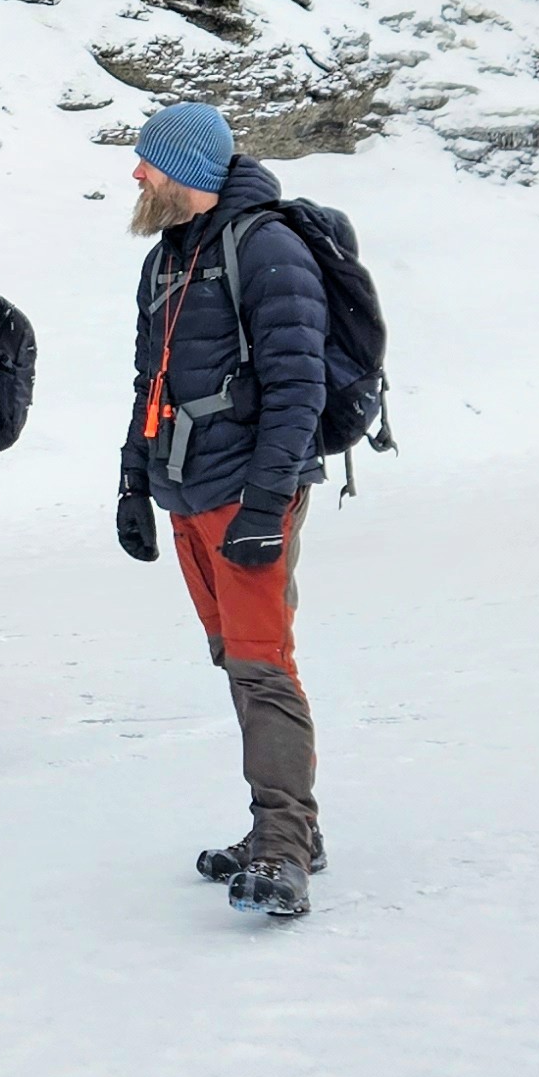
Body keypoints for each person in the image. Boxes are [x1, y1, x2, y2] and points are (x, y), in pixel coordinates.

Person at [114, 102, 333, 918]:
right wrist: (133, 486)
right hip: (185, 489)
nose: (136, 175)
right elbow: (151, 386)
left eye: (149, 162)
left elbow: (299, 387)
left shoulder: (267, 248)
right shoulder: (169, 259)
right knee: (234, 656)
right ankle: (290, 831)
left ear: (191, 174)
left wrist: (266, 503)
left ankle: (283, 844)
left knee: (261, 662)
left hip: (245, 492)